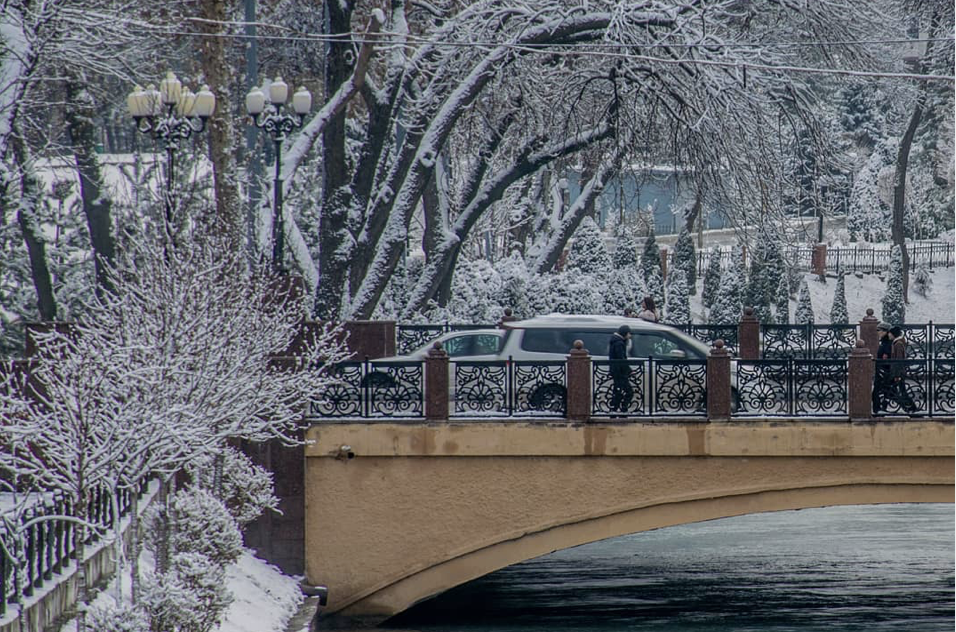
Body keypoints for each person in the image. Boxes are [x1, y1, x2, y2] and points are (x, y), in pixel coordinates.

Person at [888, 326, 918, 414]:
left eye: (890, 333)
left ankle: (911, 408)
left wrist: (897, 375)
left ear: (893, 334)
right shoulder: (897, 343)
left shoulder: (898, 344)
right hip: (898, 372)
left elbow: (899, 361)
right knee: (899, 391)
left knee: (900, 391)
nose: (888, 335)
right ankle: (910, 408)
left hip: (898, 373)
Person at [608, 325, 633, 417]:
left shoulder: (616, 341)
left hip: (616, 371)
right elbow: (621, 359)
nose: (630, 336)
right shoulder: (619, 343)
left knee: (618, 391)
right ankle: (623, 410)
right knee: (629, 392)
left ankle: (614, 410)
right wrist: (629, 370)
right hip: (620, 372)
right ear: (625, 333)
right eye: (629, 333)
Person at [872, 322, 893, 414]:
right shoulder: (884, 342)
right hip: (882, 371)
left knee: (878, 393)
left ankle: (878, 411)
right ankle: (879, 411)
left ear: (885, 331)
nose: (877, 332)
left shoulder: (887, 343)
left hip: (883, 372)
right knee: (887, 393)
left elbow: (886, 357)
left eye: (879, 330)